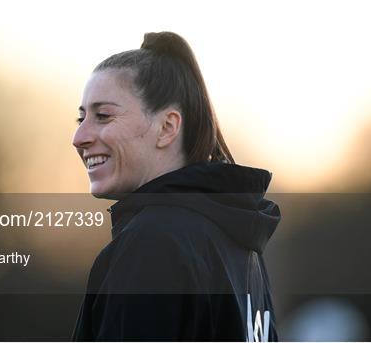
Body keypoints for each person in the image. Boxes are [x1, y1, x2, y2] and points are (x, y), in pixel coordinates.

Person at [71, 31, 281, 341]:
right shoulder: (237, 242)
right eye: (81, 119)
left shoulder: (153, 243)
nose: (80, 138)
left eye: (103, 116)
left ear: (167, 127)